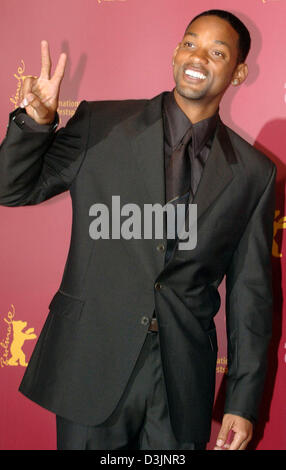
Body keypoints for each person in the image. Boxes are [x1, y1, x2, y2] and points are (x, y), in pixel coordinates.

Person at [0, 9, 276, 450]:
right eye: (190, 43)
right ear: (174, 54)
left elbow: (251, 296)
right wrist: (35, 122)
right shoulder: (100, 125)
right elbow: (11, 189)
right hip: (91, 364)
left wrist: (242, 401)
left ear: (239, 72)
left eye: (217, 51)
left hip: (180, 380)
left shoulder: (253, 174)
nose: (198, 56)